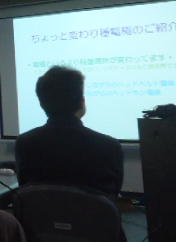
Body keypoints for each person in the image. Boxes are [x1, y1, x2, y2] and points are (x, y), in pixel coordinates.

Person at [15, 65, 123, 197]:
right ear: (82, 101)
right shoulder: (110, 146)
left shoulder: (25, 143)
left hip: (40, 211)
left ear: (42, 104)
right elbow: (113, 194)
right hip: (90, 211)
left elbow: (25, 188)